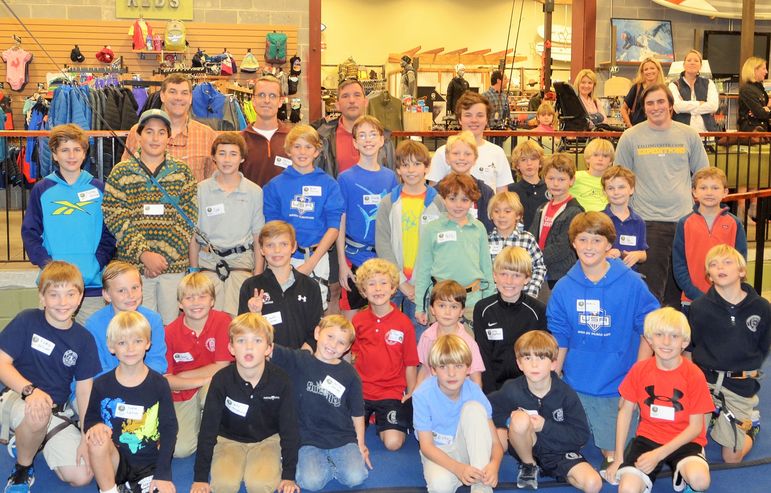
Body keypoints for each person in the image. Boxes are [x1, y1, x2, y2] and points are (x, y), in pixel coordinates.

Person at [548, 212, 659, 475]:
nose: (589, 247)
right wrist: (551, 383)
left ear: (609, 244)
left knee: (613, 453)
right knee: (552, 443)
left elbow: (649, 330)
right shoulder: (563, 288)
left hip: (617, 385)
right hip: (576, 384)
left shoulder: (631, 283)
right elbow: (560, 337)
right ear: (573, 243)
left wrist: (636, 381)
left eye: (597, 240)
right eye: (582, 239)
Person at [0, 261, 100, 489]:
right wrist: (29, 390)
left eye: (70, 294)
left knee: (82, 475)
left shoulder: (84, 339)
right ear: (42, 297)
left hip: (56, 410)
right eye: (54, 295)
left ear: (80, 297)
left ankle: (33, 438)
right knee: (39, 412)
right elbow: (1, 362)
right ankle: (22, 468)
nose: (63, 302)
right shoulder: (26, 320)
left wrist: (85, 434)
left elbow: (84, 392)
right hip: (17, 396)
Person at [615, 83, 709, 307]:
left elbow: (703, 175)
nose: (655, 107)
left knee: (677, 293)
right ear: (644, 107)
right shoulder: (630, 137)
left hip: (683, 222)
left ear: (670, 105)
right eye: (650, 103)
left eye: (660, 102)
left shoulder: (689, 135)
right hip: (647, 223)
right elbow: (619, 178)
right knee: (650, 293)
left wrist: (702, 212)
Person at [104, 109, 198, 325]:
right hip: (134, 270)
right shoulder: (121, 172)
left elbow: (189, 218)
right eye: (149, 132)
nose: (155, 138)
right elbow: (115, 216)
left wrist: (161, 258)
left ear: (169, 137)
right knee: (138, 327)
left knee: (170, 328)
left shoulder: (183, 172)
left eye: (161, 132)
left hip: (172, 268)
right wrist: (144, 254)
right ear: (138, 135)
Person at [604, 308, 713, 493]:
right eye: (659, 335)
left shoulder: (694, 374)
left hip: (685, 439)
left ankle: (685, 474)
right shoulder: (639, 370)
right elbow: (625, 411)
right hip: (649, 438)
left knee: (700, 481)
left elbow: (696, 427)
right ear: (649, 339)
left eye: (674, 336)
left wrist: (658, 454)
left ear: (685, 342)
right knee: (627, 489)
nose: (666, 342)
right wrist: (619, 458)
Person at [191, 313, 300, 493]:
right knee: (224, 485)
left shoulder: (281, 381)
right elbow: (208, 428)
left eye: (257, 341)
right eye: (241, 341)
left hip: (267, 440)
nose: (249, 347)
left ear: (268, 348)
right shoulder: (221, 380)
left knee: (260, 485)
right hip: (228, 440)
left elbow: (290, 429)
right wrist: (200, 478)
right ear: (231, 348)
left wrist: (288, 475)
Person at [21, 123, 115, 325]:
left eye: (76, 149)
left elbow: (109, 232)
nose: (71, 156)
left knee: (93, 338)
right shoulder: (42, 189)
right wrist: (47, 265)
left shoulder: (99, 189)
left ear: (84, 153)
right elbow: (30, 232)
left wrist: (97, 263)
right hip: (54, 285)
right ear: (54, 155)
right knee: (52, 339)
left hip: (92, 286)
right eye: (64, 150)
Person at [488, 331, 601, 492]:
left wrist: (544, 426)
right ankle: (529, 465)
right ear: (519, 364)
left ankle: (561, 471)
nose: (534, 365)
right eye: (528, 358)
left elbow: (581, 436)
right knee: (519, 419)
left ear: (553, 363)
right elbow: (488, 408)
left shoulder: (565, 393)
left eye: (541, 358)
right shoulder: (512, 389)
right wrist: (508, 421)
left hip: (558, 452)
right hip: (526, 447)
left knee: (593, 484)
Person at [687, 245, 771, 463]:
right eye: (713, 265)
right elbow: (690, 348)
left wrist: (744, 370)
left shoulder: (761, 307)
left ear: (741, 271)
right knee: (690, 444)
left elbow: (763, 347)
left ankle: (751, 427)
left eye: (727, 262)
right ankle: (714, 417)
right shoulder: (698, 308)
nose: (720, 268)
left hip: (739, 386)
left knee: (731, 459)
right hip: (704, 383)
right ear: (709, 275)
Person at [270, 315, 372, 491]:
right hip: (307, 438)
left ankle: (329, 463)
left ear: (348, 348)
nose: (333, 345)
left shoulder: (350, 374)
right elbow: (268, 348)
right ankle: (319, 463)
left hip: (341, 437)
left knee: (356, 477)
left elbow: (357, 413)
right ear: (317, 333)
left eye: (341, 342)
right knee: (312, 482)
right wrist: (256, 315)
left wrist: (361, 445)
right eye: (330, 336)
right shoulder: (300, 360)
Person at [84, 311, 178, 493]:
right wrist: (95, 426)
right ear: (111, 347)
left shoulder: (159, 384)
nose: (130, 348)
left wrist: (163, 474)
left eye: (137, 341)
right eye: (122, 343)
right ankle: (109, 489)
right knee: (97, 439)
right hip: (115, 463)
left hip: (149, 465)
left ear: (148, 343)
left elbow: (169, 429)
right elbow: (90, 420)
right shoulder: (101, 384)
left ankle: (133, 486)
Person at [263, 124, 344, 309]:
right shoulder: (275, 185)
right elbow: (272, 227)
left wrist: (311, 263)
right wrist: (283, 260)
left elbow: (334, 227)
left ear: (317, 152)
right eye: (297, 146)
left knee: (314, 312)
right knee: (282, 309)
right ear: (288, 150)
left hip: (317, 256)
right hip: (282, 257)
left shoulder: (329, 184)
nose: (302, 152)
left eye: (308, 147)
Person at [412, 334, 503, 493]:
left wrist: (494, 465)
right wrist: (458, 469)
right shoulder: (422, 395)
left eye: (458, 366)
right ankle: (466, 473)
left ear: (468, 368)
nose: (451, 373)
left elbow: (495, 443)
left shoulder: (474, 392)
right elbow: (426, 446)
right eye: (443, 367)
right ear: (433, 370)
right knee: (440, 486)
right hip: (438, 452)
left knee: (474, 408)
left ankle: (480, 487)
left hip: (469, 448)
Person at [189, 132, 265, 317]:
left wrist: (257, 276)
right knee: (208, 318)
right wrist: (193, 271)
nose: (227, 159)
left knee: (238, 319)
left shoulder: (254, 192)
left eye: (233, 154)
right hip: (208, 263)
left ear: (242, 158)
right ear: (213, 157)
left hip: (241, 264)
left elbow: (258, 237)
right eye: (222, 153)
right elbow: (193, 236)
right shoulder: (200, 190)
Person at [375, 140, 445, 338]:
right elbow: (382, 244)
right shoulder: (388, 202)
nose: (411, 170)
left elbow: (441, 247)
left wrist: (422, 283)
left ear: (427, 168)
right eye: (405, 165)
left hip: (425, 284)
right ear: (398, 169)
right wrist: (401, 281)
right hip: (392, 281)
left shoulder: (438, 203)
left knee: (420, 339)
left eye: (417, 164)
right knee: (388, 336)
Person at [350, 258, 418, 451]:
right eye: (371, 284)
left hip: (391, 392)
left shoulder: (404, 323)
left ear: (393, 288)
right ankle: (370, 416)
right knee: (348, 437)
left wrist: (411, 393)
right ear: (363, 291)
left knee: (393, 443)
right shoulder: (358, 320)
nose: (378, 288)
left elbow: (410, 362)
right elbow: (350, 359)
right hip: (361, 392)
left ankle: (381, 419)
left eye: (383, 283)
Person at [164, 272, 233, 458]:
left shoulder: (223, 321)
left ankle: (216, 429)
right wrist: (200, 380)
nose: (196, 303)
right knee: (180, 450)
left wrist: (184, 376)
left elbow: (223, 365)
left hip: (211, 385)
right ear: (180, 303)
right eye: (189, 298)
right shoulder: (170, 332)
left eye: (202, 296)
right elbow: (167, 381)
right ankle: (199, 423)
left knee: (211, 393)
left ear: (212, 301)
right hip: (183, 392)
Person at [337, 116, 398, 319]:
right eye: (362, 135)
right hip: (353, 258)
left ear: (382, 140)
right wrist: (342, 263)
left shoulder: (390, 177)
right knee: (351, 321)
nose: (368, 139)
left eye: (373, 134)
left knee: (382, 317)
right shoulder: (345, 178)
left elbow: (394, 219)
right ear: (355, 143)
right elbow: (340, 221)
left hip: (383, 258)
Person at [414, 173, 495, 325]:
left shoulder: (479, 228)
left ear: (472, 201)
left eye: (464, 200)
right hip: (441, 303)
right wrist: (420, 306)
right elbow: (423, 269)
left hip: (472, 302)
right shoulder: (432, 229)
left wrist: (489, 302)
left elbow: (486, 267)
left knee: (470, 340)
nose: (458, 205)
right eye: (452, 199)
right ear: (443, 198)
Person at [238, 221, 323, 349]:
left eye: (283, 244)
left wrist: (302, 356)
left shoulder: (310, 286)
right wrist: (254, 315)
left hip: (302, 357)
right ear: (261, 250)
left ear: (293, 247)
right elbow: (243, 333)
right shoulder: (250, 286)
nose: (277, 250)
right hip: (265, 358)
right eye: (270, 245)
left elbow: (316, 331)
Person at [473, 247, 547, 394]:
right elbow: (483, 354)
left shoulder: (538, 311)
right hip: (492, 387)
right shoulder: (483, 309)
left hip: (528, 388)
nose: (509, 281)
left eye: (516, 275)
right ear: (494, 276)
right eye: (503, 274)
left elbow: (541, 356)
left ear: (527, 278)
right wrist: (490, 394)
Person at [122, 73, 216, 182]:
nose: (178, 98)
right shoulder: (138, 132)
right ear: (162, 96)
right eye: (172, 92)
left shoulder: (208, 136)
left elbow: (214, 182)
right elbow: (125, 176)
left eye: (184, 93)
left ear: (190, 98)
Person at [673, 167, 747, 305]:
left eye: (715, 188)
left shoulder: (734, 223)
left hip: (726, 300)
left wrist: (724, 295)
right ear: (694, 192)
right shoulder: (684, 223)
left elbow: (741, 262)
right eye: (703, 188)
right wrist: (696, 295)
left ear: (725, 192)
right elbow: (679, 265)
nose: (709, 192)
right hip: (692, 301)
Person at [86, 260, 168, 377]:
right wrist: (124, 381)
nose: (130, 295)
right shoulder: (94, 324)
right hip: (108, 383)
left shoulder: (153, 320)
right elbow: (97, 368)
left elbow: (157, 362)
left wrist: (138, 381)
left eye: (135, 287)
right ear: (107, 295)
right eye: (121, 290)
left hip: (145, 381)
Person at [427, 92, 514, 192]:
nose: (474, 120)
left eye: (480, 115)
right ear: (459, 119)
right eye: (468, 115)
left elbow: (502, 195)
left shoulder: (497, 153)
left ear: (486, 119)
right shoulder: (442, 152)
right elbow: (433, 194)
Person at [315, 78, 395, 177]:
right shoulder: (323, 139)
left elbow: (392, 179)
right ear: (337, 105)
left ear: (366, 102)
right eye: (345, 96)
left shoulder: (384, 139)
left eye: (357, 95)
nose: (352, 101)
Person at [416, 280, 485, 388]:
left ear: (461, 311)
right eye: (442, 306)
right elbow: (425, 369)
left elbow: (476, 379)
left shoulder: (468, 343)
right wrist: (415, 393)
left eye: (454, 307)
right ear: (432, 309)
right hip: (431, 394)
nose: (447, 312)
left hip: (458, 394)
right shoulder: (426, 336)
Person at [528, 154, 584, 288]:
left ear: (571, 180)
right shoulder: (542, 208)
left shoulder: (575, 211)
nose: (556, 183)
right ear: (544, 179)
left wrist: (533, 258)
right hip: (539, 273)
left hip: (561, 275)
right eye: (551, 178)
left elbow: (562, 247)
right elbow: (531, 237)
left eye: (561, 179)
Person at [486, 191, 546, 297]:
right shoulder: (486, 241)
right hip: (493, 297)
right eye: (496, 211)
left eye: (507, 211)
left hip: (522, 297)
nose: (501, 215)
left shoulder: (527, 239)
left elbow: (539, 268)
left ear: (518, 215)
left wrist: (530, 294)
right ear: (491, 215)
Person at [240, 75, 293, 187]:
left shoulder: (293, 139)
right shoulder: (240, 141)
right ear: (253, 100)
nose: (267, 101)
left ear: (280, 101)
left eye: (272, 96)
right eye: (261, 95)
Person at [442, 131, 495, 232]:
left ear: (475, 158)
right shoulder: (437, 191)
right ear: (447, 158)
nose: (461, 158)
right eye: (456, 153)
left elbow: (489, 227)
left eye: (467, 154)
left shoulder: (486, 192)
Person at [601, 166, 648, 270]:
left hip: (629, 275)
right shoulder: (598, 219)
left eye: (621, 187)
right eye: (610, 188)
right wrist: (605, 254)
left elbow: (643, 253)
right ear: (604, 192)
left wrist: (637, 255)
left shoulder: (639, 222)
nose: (616, 192)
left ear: (631, 189)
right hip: (603, 274)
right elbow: (589, 250)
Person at [670, 49, 719, 132]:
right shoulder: (674, 85)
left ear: (700, 66)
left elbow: (713, 106)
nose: (692, 63)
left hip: (707, 132)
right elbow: (677, 107)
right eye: (689, 60)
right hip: (682, 132)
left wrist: (688, 109)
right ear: (684, 64)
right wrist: (699, 103)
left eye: (696, 61)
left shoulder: (709, 83)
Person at [508, 139, 547, 230]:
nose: (529, 163)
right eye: (523, 160)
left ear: (540, 163)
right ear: (517, 165)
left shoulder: (550, 189)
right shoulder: (511, 191)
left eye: (533, 159)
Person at [569, 138, 614, 212]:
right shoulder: (575, 177)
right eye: (596, 155)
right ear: (587, 158)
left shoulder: (614, 181)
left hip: (606, 217)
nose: (600, 159)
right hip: (580, 216)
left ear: (610, 161)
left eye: (605, 156)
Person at [620, 57, 665, 127]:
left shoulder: (663, 89)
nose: (649, 71)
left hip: (657, 128)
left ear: (658, 70)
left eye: (652, 68)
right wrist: (629, 125)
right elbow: (623, 109)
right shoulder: (637, 87)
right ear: (642, 72)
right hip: (637, 128)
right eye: (646, 69)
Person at [738, 56, 771, 132]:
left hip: (762, 130)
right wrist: (763, 110)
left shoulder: (759, 87)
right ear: (754, 70)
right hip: (753, 132)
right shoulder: (747, 89)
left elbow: (761, 110)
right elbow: (760, 113)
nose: (766, 72)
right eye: (764, 69)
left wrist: (766, 109)